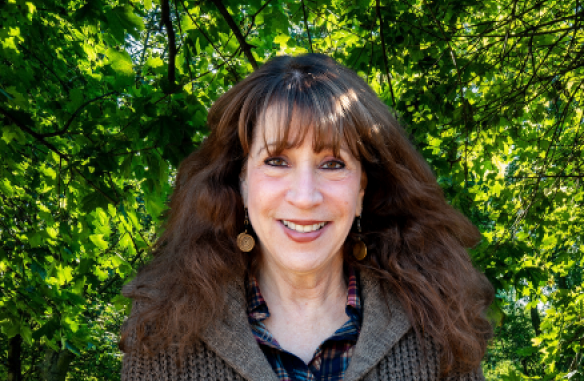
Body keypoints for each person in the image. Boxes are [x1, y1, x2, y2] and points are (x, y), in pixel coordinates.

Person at [120, 54, 494, 381]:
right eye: (276, 161)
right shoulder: (164, 332)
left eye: (332, 164)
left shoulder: (438, 326)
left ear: (362, 189)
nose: (304, 197)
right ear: (242, 182)